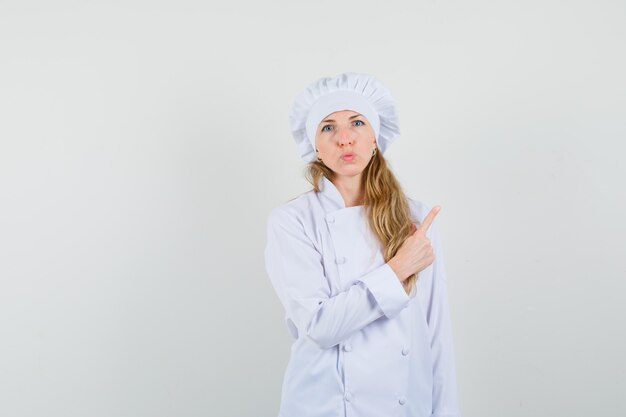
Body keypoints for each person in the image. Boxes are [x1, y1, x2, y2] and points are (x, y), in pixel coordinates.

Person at [264, 72, 461, 417]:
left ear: (375, 138)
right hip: (322, 406)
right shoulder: (292, 221)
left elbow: (436, 337)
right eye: (328, 127)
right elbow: (322, 327)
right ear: (315, 147)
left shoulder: (415, 218)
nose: (344, 139)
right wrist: (398, 269)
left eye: (357, 122)